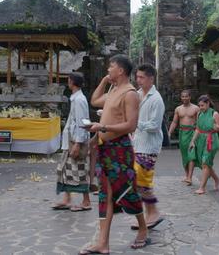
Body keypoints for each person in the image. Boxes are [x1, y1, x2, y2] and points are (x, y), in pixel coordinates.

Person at [81, 54, 148, 254]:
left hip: (120, 150)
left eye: (111, 67)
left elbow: (131, 125)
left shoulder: (130, 94)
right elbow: (94, 101)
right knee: (105, 195)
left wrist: (103, 127)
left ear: (120, 70)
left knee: (127, 192)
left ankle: (143, 228)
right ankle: (103, 242)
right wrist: (104, 81)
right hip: (105, 148)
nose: (108, 70)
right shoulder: (114, 90)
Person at [130, 63, 165, 230]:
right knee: (140, 182)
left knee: (141, 181)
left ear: (151, 78)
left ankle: (153, 213)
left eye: (141, 77)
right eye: (137, 77)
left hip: (149, 146)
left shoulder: (156, 99)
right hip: (137, 143)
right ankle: (150, 213)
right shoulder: (137, 95)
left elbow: (154, 125)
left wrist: (135, 123)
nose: (138, 80)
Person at [53, 73, 92, 211]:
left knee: (79, 171)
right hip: (69, 139)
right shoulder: (75, 98)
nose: (67, 82)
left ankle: (86, 201)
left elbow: (82, 123)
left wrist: (78, 143)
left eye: (69, 80)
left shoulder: (80, 100)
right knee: (65, 170)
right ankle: (67, 198)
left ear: (72, 82)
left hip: (75, 140)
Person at [189, 95, 219, 195]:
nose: (200, 107)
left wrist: (215, 126)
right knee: (204, 163)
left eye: (202, 105)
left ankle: (202, 187)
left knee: (205, 163)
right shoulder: (199, 113)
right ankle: (217, 179)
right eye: (199, 105)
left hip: (211, 139)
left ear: (208, 103)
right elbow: (197, 129)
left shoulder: (214, 114)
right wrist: (192, 141)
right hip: (201, 139)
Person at [167, 89, 199, 185]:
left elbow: (199, 123)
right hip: (182, 133)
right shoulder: (178, 109)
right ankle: (187, 175)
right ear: (181, 97)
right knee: (185, 156)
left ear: (190, 97)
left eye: (186, 96)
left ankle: (190, 177)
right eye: (183, 96)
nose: (184, 98)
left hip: (192, 132)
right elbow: (174, 122)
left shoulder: (196, 108)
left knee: (191, 155)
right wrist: (169, 133)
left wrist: (198, 134)